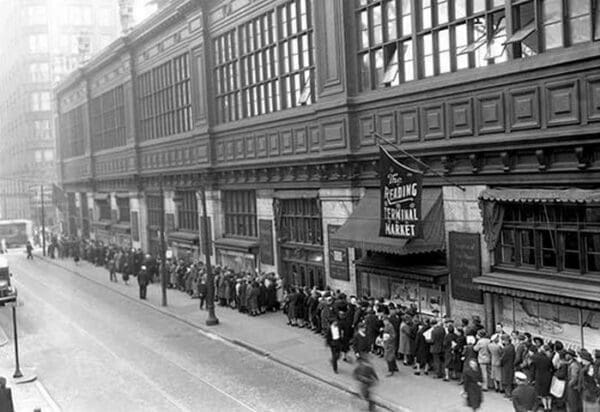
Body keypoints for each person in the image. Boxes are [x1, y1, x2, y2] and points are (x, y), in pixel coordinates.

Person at [530, 345, 554, 412]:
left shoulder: (535, 358)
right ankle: (549, 406)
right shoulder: (548, 359)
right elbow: (552, 368)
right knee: (548, 392)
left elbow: (533, 368)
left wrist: (532, 378)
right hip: (548, 376)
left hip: (539, 376)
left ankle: (545, 407)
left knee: (542, 393)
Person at [500, 334, 516, 398]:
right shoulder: (512, 347)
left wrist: (501, 362)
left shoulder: (505, 348)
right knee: (509, 379)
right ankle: (509, 392)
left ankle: (508, 393)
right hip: (511, 364)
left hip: (506, 365)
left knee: (506, 379)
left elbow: (503, 358)